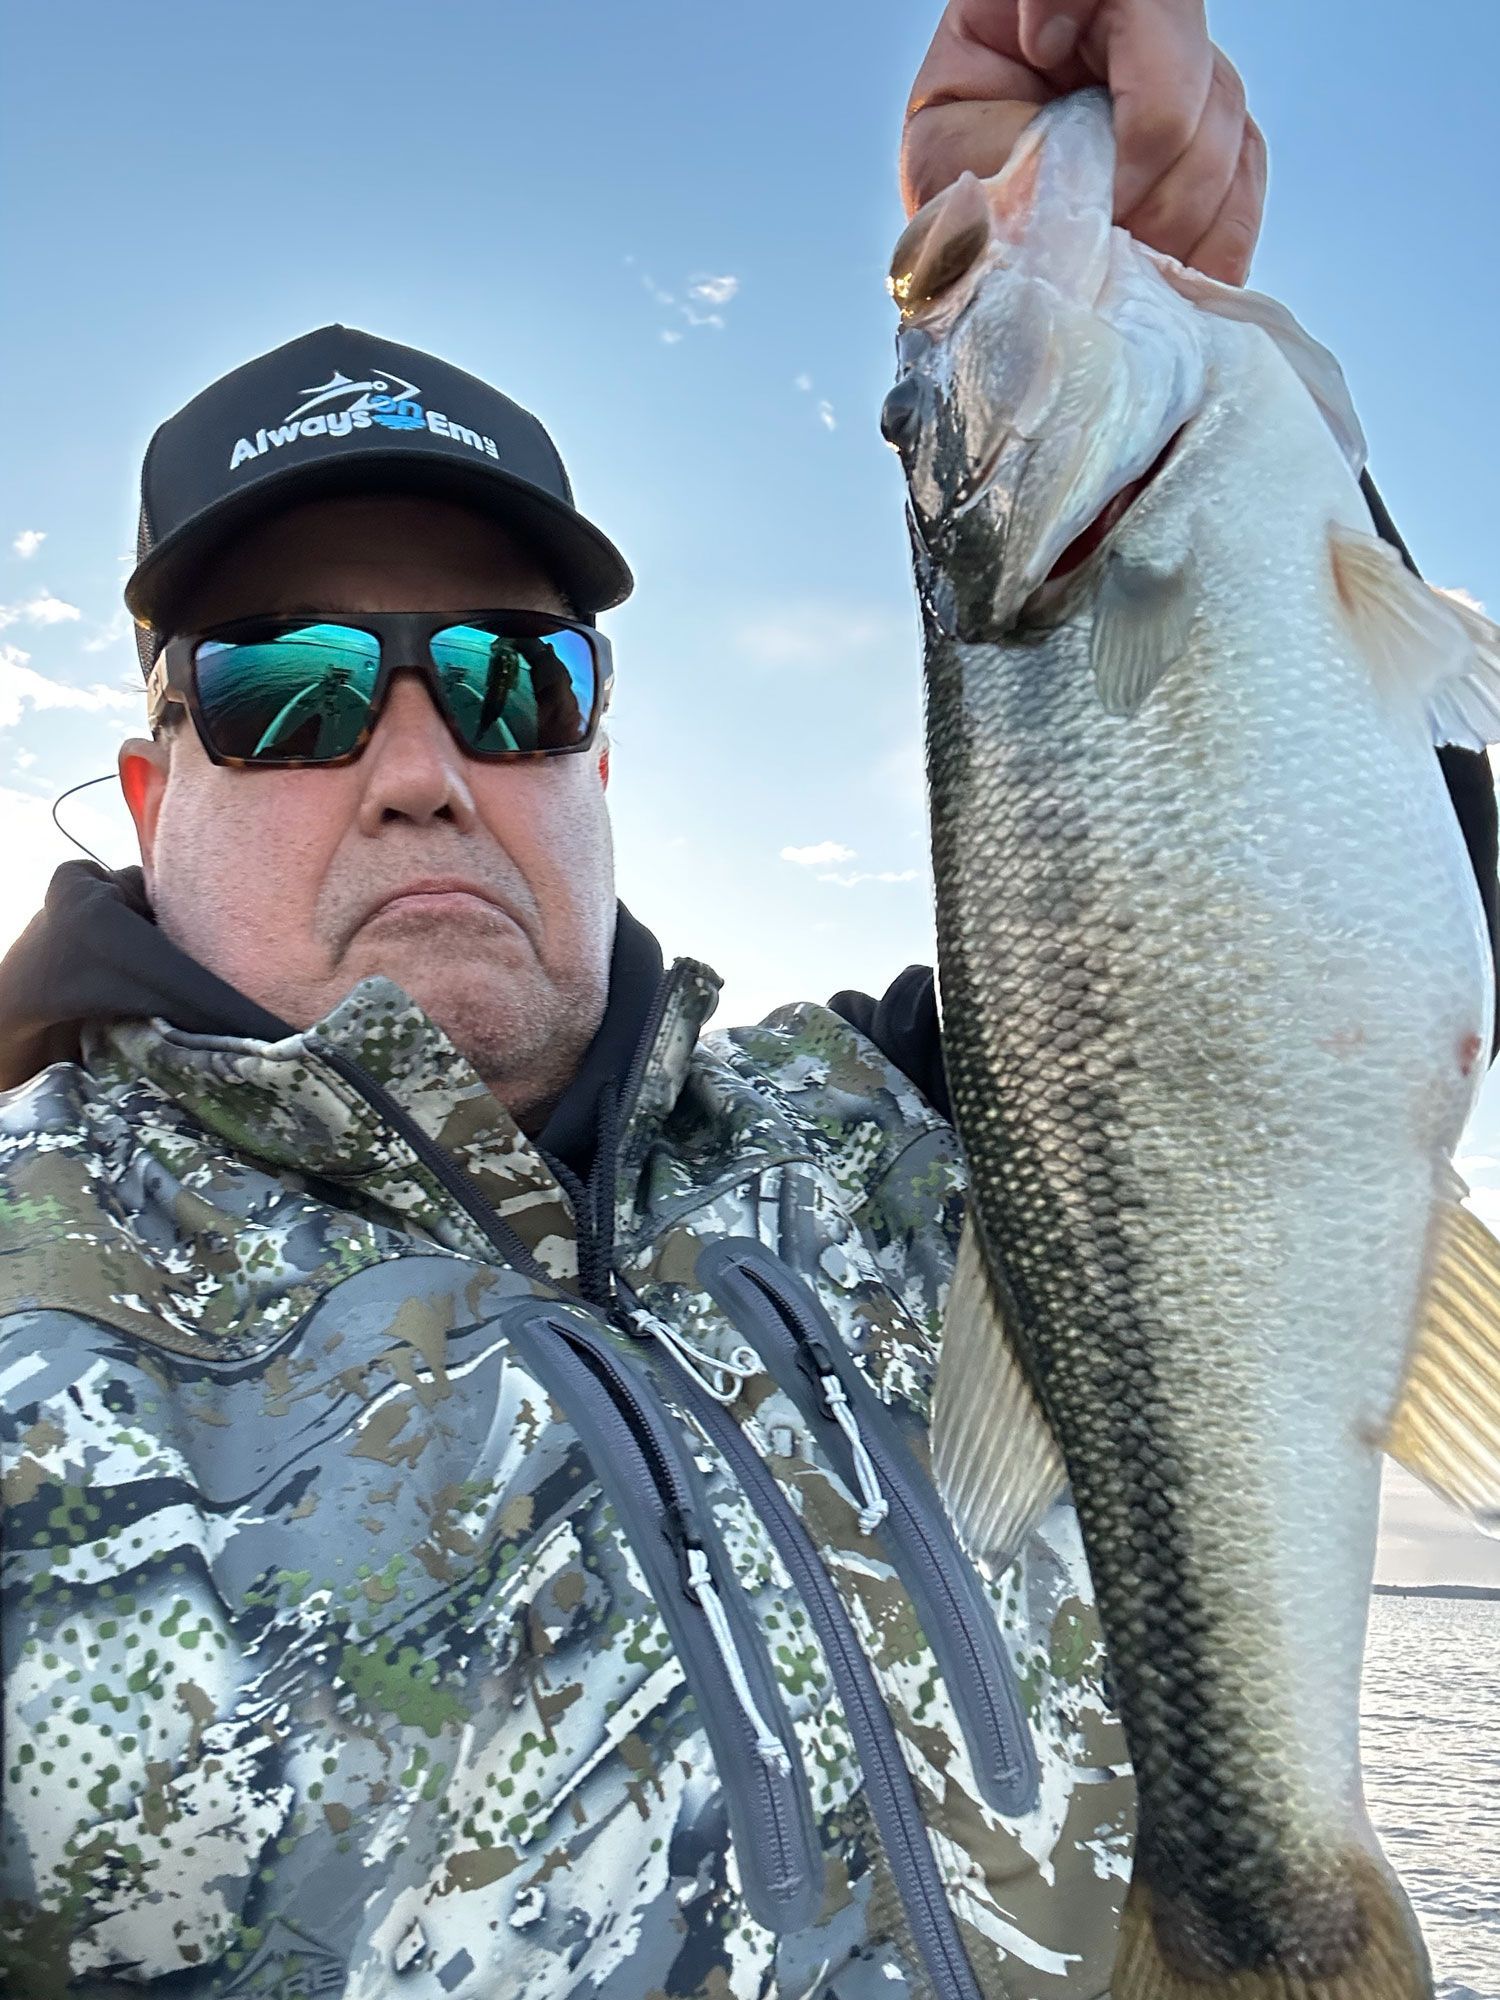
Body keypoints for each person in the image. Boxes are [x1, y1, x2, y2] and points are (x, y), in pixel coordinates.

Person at [0, 6, 1491, 1998]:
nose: (425, 760)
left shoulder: (906, 1127)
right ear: (153, 785)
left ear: (597, 762)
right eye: (294, 689)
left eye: (512, 674)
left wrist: (1198, 332)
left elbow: (1353, 896)